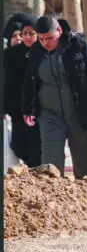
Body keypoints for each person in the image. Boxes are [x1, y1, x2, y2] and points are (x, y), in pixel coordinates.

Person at [22, 16, 87, 178]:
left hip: (79, 112)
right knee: (50, 163)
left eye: (50, 38)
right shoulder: (35, 52)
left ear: (59, 31)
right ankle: (51, 197)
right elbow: (30, 81)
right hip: (49, 114)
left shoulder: (79, 46)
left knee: (84, 162)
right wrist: (28, 108)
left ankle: (84, 197)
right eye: (41, 39)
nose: (45, 43)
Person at [4, 13, 41, 167]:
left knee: (35, 149)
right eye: (22, 34)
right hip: (18, 110)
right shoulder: (11, 55)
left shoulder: (42, 52)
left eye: (29, 33)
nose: (24, 37)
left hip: (39, 109)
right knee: (18, 145)